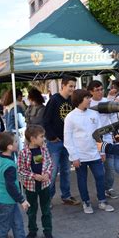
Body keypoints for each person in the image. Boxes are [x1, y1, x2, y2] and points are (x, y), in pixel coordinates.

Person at [64, 89, 114, 214]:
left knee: (100, 176)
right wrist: (74, 156)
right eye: (87, 98)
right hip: (80, 156)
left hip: (95, 154)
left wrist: (102, 151)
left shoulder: (94, 114)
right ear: (80, 100)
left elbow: (99, 134)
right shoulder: (70, 117)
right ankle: (86, 202)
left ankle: (102, 201)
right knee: (82, 179)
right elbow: (68, 139)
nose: (90, 100)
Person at [0, 132, 41, 238]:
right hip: (7, 199)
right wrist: (22, 200)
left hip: (1, 196)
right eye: (15, 142)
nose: (17, 143)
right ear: (9, 147)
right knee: (7, 226)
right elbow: (11, 186)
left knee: (14, 224)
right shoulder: (10, 166)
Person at [42, 75, 80, 206]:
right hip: (55, 143)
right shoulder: (54, 100)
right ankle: (47, 199)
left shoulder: (72, 101)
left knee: (66, 171)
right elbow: (45, 121)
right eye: (70, 86)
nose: (72, 89)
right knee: (52, 172)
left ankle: (66, 196)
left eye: (74, 86)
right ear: (62, 85)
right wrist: (52, 137)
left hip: (68, 142)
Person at [18, 125, 53, 238]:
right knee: (31, 210)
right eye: (41, 137)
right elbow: (21, 170)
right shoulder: (23, 153)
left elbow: (48, 162)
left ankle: (47, 231)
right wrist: (34, 176)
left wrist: (47, 174)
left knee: (46, 209)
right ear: (33, 139)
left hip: (44, 185)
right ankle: (32, 231)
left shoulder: (44, 149)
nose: (44, 139)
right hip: (30, 186)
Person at [87, 80, 119, 199]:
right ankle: (100, 192)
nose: (100, 92)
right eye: (97, 90)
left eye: (101, 89)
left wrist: (117, 133)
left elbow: (114, 118)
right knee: (98, 168)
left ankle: (108, 188)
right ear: (91, 92)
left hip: (107, 138)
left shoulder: (107, 102)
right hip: (93, 139)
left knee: (110, 166)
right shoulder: (88, 104)